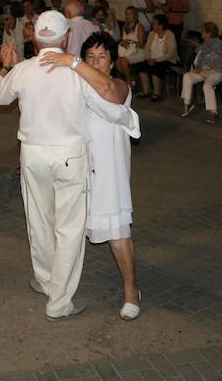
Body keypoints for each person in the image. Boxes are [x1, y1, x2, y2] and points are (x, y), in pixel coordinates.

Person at [0, 11, 136, 321]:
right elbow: (107, 103)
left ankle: (45, 281)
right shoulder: (75, 73)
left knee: (39, 222)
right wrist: (128, 118)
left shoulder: (24, 69)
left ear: (35, 37)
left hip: (34, 154)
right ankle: (59, 302)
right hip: (70, 155)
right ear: (66, 38)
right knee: (69, 229)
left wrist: (5, 66)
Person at [39, 32, 142, 320]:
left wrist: (72, 61)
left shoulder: (119, 85)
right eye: (90, 57)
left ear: (112, 63)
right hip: (75, 169)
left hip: (109, 171)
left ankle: (132, 290)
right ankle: (58, 289)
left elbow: (109, 92)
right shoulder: (74, 86)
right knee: (65, 232)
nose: (96, 63)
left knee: (117, 232)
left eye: (102, 57)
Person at [181, 22, 222, 122]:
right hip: (203, 71)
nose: (201, 33)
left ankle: (213, 112)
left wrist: (205, 68)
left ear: (209, 33)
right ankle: (187, 104)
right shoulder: (204, 44)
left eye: (203, 31)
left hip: (216, 71)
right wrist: (198, 66)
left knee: (207, 85)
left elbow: (216, 59)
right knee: (187, 76)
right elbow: (199, 57)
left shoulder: (218, 43)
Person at [134, 14, 178, 102]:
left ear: (162, 25)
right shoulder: (151, 34)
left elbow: (170, 53)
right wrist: (148, 58)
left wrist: (156, 60)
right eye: (153, 24)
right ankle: (146, 91)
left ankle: (157, 93)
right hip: (152, 59)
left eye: (156, 24)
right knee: (141, 67)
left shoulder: (170, 35)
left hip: (166, 60)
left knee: (156, 68)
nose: (154, 26)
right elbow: (147, 49)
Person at [115, 6, 147, 87]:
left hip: (138, 53)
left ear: (135, 15)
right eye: (126, 14)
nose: (128, 16)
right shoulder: (124, 27)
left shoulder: (139, 27)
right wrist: (123, 42)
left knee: (124, 61)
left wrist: (129, 42)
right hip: (127, 52)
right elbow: (122, 41)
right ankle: (130, 79)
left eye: (130, 14)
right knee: (118, 61)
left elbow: (141, 44)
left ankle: (129, 82)